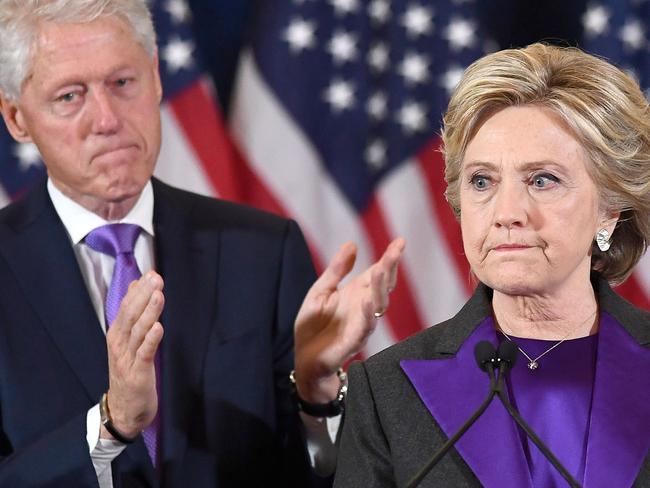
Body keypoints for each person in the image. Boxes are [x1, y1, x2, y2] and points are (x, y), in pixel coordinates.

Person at [0, 0, 404, 486]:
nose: (106, 119)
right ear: (17, 118)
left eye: (122, 83)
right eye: (69, 96)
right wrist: (111, 425)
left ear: (155, 77)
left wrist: (315, 393)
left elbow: (313, 476)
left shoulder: (261, 253)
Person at [333, 43, 650, 488]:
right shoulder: (387, 389)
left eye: (543, 180)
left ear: (610, 210)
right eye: (482, 181)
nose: (507, 212)